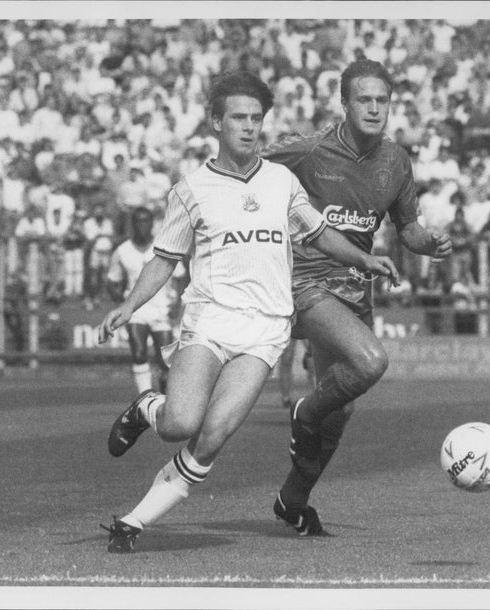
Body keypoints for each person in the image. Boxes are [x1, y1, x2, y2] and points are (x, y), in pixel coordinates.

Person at [97, 71, 399, 553]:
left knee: (213, 436)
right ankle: (145, 407)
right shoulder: (191, 188)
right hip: (211, 319)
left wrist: (364, 259)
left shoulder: (281, 181)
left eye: (256, 118)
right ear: (216, 122)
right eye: (238, 117)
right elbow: (164, 258)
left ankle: (131, 522)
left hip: (264, 331)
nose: (249, 127)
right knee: (179, 424)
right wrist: (130, 305)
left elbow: (318, 233)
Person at [261, 59, 451, 534]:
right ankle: (301, 411)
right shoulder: (306, 152)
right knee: (370, 362)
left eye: (381, 100)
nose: (373, 108)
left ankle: (292, 500)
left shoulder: (395, 161)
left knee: (339, 411)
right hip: (304, 281)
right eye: (363, 99)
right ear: (343, 104)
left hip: (354, 290)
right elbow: (249, 175)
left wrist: (428, 243)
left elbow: (406, 227)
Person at [106, 206, 176, 395]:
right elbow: (112, 281)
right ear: (132, 224)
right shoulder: (122, 251)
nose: (142, 225)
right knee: (139, 353)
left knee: (165, 361)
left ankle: (165, 398)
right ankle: (145, 399)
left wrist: (176, 304)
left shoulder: (163, 247)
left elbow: (179, 277)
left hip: (161, 309)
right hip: (137, 311)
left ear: (152, 224)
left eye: (146, 221)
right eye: (138, 221)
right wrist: (123, 302)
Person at [277, 338, 315, 410]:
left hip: (306, 327)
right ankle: (286, 397)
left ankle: (317, 394)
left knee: (312, 354)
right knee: (286, 358)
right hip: (290, 328)